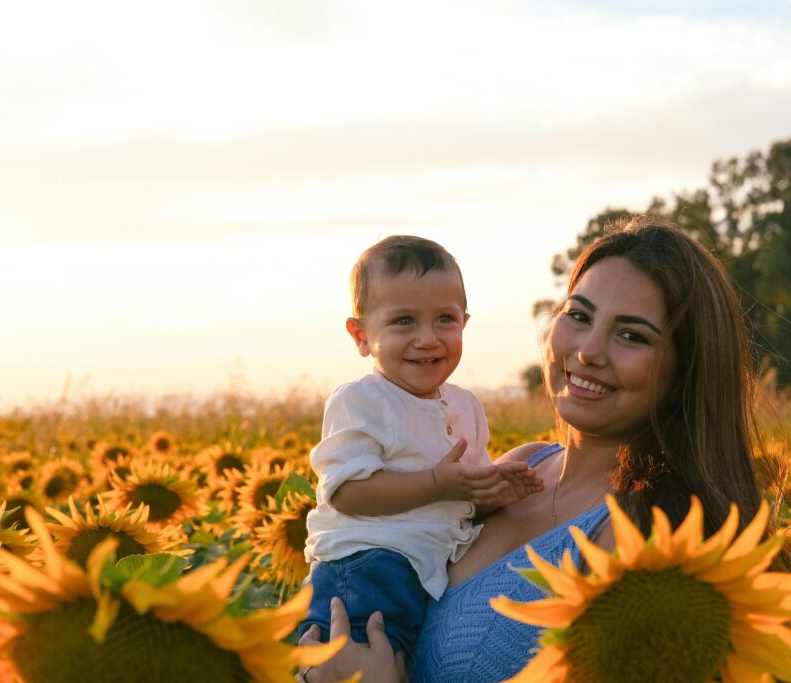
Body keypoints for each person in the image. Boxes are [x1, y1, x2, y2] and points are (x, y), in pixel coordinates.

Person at [298, 219, 765, 683]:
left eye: (631, 335)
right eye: (579, 316)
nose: (587, 352)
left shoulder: (651, 540)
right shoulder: (522, 465)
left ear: (687, 369)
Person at [298, 235, 544, 661]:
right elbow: (346, 492)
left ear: (464, 323)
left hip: (426, 572)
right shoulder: (362, 401)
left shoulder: (465, 406)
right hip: (367, 567)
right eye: (404, 322)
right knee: (351, 664)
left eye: (444, 319)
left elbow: (460, 495)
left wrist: (492, 491)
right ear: (361, 335)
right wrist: (436, 483)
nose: (428, 338)